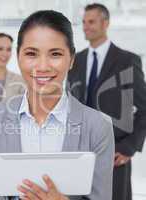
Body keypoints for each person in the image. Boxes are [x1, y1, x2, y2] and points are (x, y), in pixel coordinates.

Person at [0, 10, 114, 200]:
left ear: (72, 60)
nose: (42, 67)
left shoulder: (98, 126)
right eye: (31, 54)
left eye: (55, 54)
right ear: (18, 57)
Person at [68, 3, 146, 200]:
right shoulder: (75, 61)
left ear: (106, 23)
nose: (86, 26)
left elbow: (144, 108)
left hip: (114, 154)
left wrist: (129, 146)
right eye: (84, 22)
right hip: (79, 153)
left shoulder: (126, 60)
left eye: (91, 21)